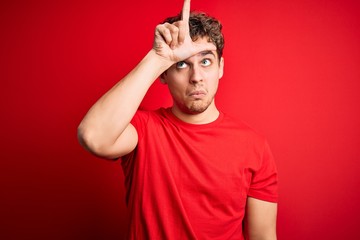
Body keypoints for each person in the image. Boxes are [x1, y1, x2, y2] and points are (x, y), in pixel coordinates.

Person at [78, 0, 278, 239]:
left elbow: (263, 236)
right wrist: (158, 58)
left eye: (206, 61)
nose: (196, 77)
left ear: (220, 67)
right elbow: (93, 137)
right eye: (182, 64)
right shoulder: (143, 130)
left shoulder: (254, 146)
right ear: (164, 75)